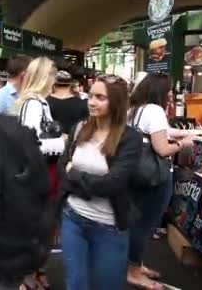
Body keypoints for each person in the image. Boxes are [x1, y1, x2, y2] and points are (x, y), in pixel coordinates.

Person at [58, 74, 141, 290]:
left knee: (108, 284)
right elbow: (62, 168)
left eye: (100, 97)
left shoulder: (129, 138)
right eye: (91, 96)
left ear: (116, 102)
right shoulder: (80, 128)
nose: (92, 102)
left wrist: (75, 175)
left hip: (109, 227)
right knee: (75, 284)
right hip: (73, 218)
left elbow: (113, 184)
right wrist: (84, 183)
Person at [127, 73, 194, 290]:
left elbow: (157, 132)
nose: (171, 94)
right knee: (144, 225)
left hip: (136, 174)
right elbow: (162, 148)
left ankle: (134, 264)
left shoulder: (136, 109)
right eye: (169, 90)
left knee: (136, 223)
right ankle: (134, 272)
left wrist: (187, 132)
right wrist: (184, 144)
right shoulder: (155, 110)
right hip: (154, 177)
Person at [10, 57, 64, 290]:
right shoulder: (34, 103)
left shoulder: (37, 102)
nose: (54, 80)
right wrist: (62, 143)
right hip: (39, 174)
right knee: (38, 230)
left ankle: (32, 274)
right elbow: (32, 143)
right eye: (52, 75)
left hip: (40, 174)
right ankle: (27, 279)